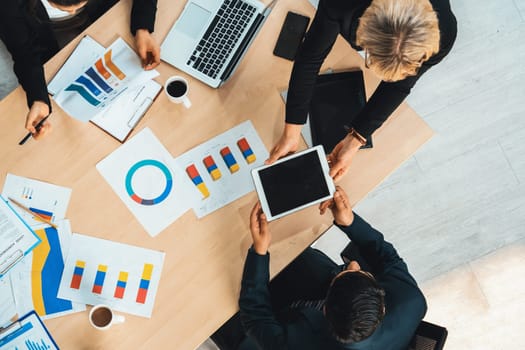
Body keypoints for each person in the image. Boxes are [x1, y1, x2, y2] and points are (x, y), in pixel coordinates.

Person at [211, 187, 427, 349]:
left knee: (214, 305)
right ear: (383, 306)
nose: (353, 263)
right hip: (313, 303)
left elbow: (255, 316)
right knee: (292, 251)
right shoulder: (411, 300)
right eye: (361, 272)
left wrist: (259, 253)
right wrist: (349, 222)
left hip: (274, 331)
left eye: (346, 271)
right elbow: (387, 257)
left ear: (323, 308)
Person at [268, 0, 457, 181]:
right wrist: (291, 133)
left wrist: (355, 141)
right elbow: (310, 58)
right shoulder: (340, 4)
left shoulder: (444, 33)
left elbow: (399, 86)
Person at [0, 0, 161, 140]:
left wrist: (142, 27)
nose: (72, 11)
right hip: (41, 28)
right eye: (67, 7)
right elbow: (24, 51)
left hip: (103, 14)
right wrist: (38, 98)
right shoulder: (8, 5)